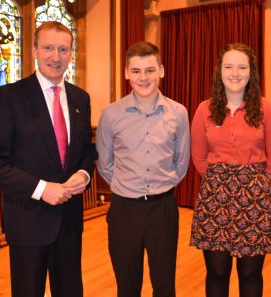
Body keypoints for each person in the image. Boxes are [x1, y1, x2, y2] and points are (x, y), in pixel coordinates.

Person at [0, 21, 97, 297]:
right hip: (28, 222)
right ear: (34, 50)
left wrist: (84, 175)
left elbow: (86, 152)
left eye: (63, 49)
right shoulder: (8, 97)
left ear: (71, 53)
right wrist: (41, 189)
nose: (56, 56)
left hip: (69, 223)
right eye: (49, 48)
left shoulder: (81, 99)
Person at [190, 43, 271, 297]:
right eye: (229, 66)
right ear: (219, 71)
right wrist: (221, 181)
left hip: (253, 199)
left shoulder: (266, 109)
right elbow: (199, 157)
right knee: (217, 272)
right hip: (215, 199)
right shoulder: (204, 110)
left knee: (250, 273)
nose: (235, 72)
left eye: (242, 66)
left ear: (251, 72)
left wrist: (252, 181)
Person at [96, 41, 190, 297]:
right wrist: (127, 186)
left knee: (164, 286)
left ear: (161, 70)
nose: (143, 77)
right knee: (127, 286)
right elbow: (104, 163)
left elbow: (181, 162)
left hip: (163, 210)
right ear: (126, 72)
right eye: (136, 71)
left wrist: (161, 184)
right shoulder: (111, 114)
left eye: (149, 70)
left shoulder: (178, 113)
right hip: (124, 211)